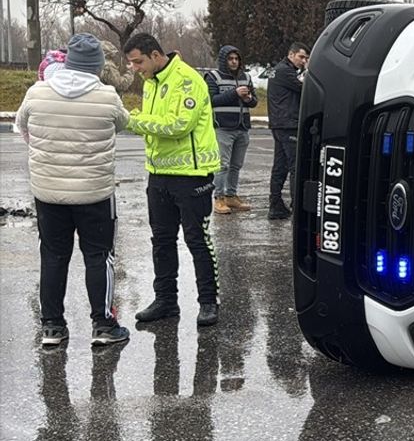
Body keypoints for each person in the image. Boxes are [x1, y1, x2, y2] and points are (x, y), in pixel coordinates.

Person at [14, 33, 131, 347]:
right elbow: (122, 123)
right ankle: (103, 325)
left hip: (48, 192)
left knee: (53, 256)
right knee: (98, 256)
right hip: (95, 193)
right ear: (96, 66)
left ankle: (52, 326)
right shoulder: (107, 96)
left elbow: (21, 125)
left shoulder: (37, 93)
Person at [122, 33, 222, 328]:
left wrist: (130, 120)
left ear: (155, 55)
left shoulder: (188, 79)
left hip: (191, 175)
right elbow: (155, 120)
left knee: (197, 239)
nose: (135, 68)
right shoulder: (151, 82)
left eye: (138, 61)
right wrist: (136, 117)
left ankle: (208, 301)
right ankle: (166, 299)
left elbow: (179, 125)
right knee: (161, 240)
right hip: (159, 175)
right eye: (131, 63)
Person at [204, 45, 257, 214]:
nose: (234, 62)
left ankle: (231, 196)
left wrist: (249, 99)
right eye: (230, 59)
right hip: (223, 127)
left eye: (236, 59)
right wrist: (235, 93)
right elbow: (211, 100)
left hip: (242, 127)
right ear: (223, 60)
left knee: (236, 165)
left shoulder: (246, 77)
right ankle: (218, 198)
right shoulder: (213, 77)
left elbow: (254, 101)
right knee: (222, 165)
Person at [267, 42, 309, 220]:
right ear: (291, 55)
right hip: (288, 123)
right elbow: (305, 87)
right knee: (294, 166)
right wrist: (309, 69)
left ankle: (276, 205)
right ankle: (296, 205)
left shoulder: (278, 70)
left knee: (280, 166)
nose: (303, 60)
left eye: (306, 58)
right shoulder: (285, 71)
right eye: (301, 57)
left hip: (279, 123)